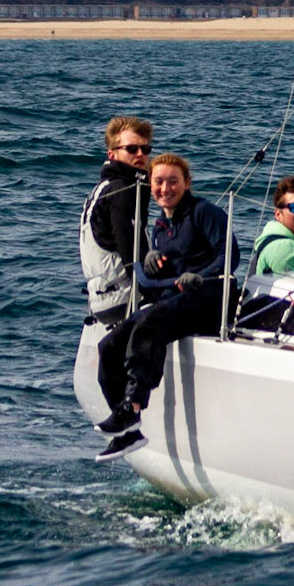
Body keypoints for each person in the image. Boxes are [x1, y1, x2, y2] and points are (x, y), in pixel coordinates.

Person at [94, 152, 239, 458]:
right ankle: (128, 431)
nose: (165, 188)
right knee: (109, 346)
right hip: (176, 301)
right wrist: (150, 262)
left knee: (151, 323)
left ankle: (134, 404)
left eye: (173, 181)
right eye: (158, 181)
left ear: (187, 183)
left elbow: (230, 255)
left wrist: (201, 276)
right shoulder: (160, 226)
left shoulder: (204, 212)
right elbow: (163, 271)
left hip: (209, 299)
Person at [79, 116, 153, 323]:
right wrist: (157, 292)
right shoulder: (121, 190)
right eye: (131, 149)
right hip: (124, 299)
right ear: (112, 154)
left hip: (102, 301)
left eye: (145, 149)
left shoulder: (103, 188)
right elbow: (130, 250)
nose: (140, 154)